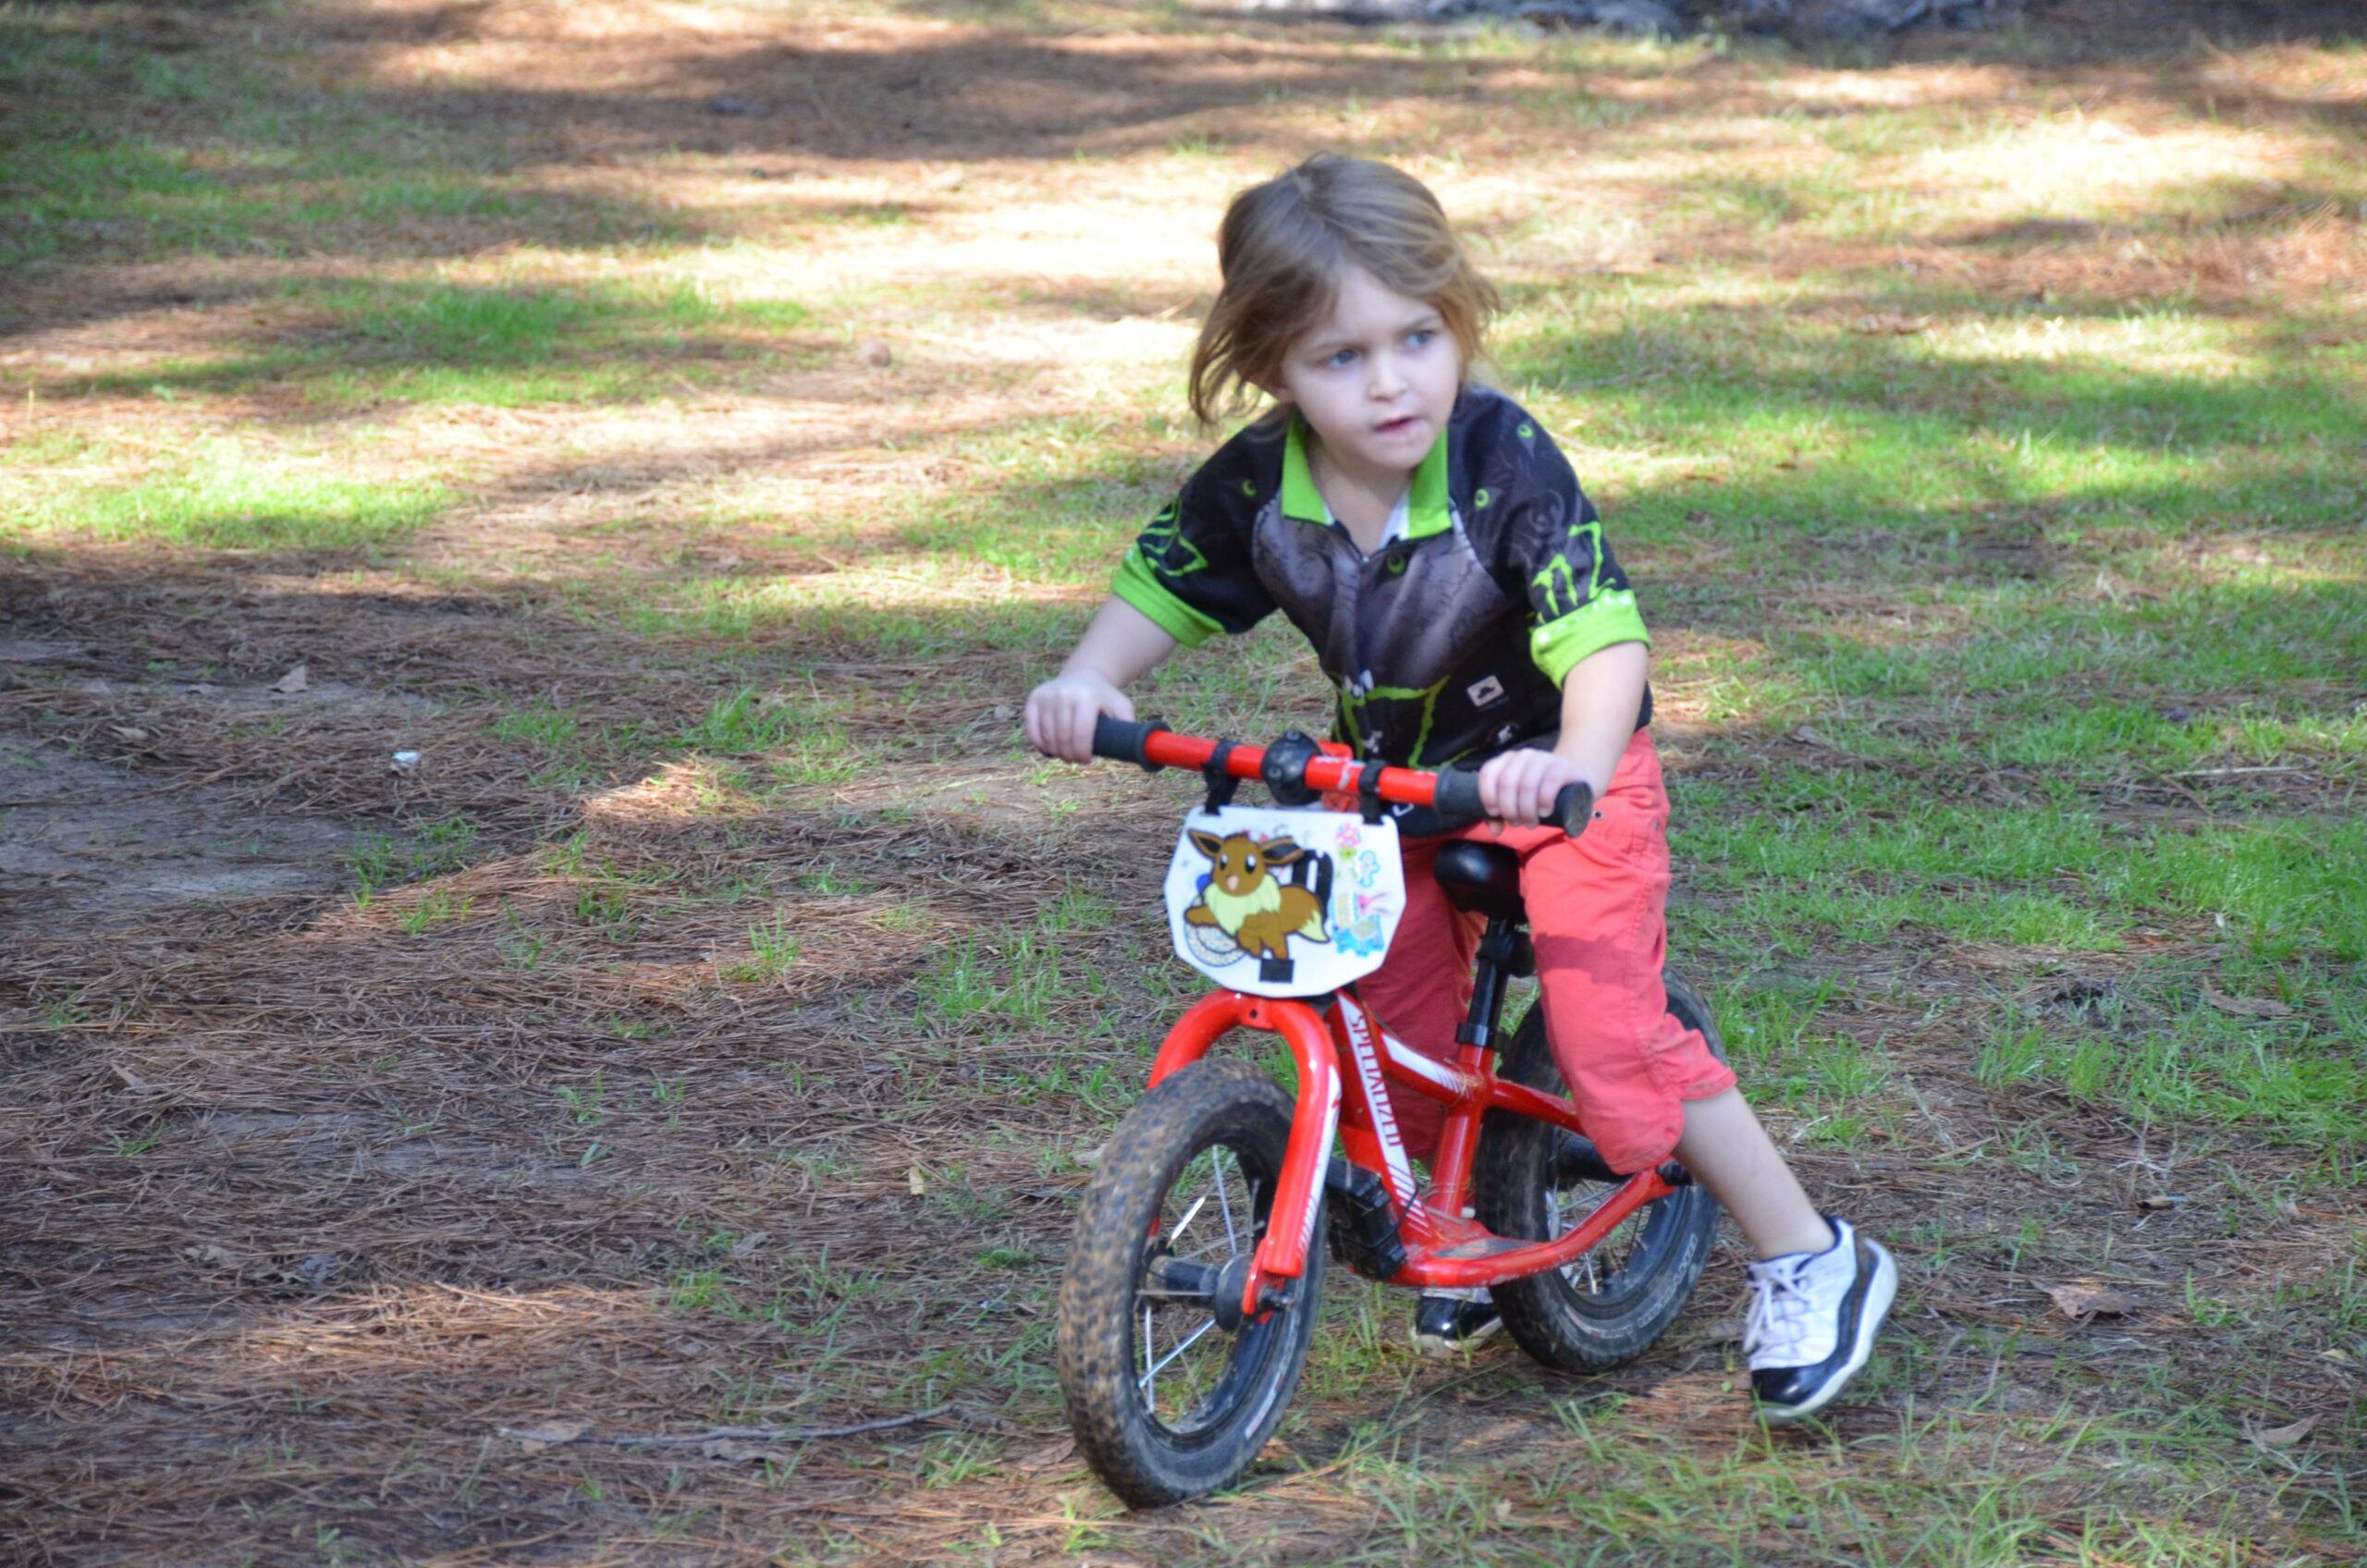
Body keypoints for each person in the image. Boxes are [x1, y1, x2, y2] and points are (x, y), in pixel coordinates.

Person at [1023, 153, 1894, 1424]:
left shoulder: (1500, 461)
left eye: (1417, 338)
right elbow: (1163, 586)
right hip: (1396, 785)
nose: (1390, 382)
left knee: (1610, 1031)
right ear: (1272, 369)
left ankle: (1806, 1249)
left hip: (1566, 773)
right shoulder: (1262, 483)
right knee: (1386, 1010)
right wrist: (1092, 679)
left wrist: (1574, 767)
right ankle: (1466, 1221)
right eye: (1340, 357)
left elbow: (1603, 642)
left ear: (1456, 324)